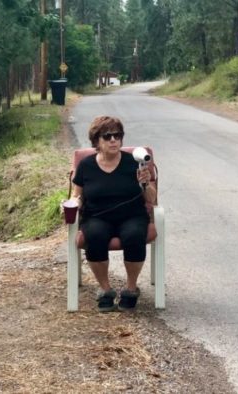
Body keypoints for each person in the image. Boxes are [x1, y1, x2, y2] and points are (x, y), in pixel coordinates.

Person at [68, 116, 155, 312]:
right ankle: (105, 289)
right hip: (97, 216)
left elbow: (151, 199)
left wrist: (145, 183)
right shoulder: (86, 165)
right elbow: (77, 196)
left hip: (132, 215)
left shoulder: (135, 163)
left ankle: (131, 289)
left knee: (133, 235)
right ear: (96, 140)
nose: (114, 140)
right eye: (107, 136)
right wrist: (72, 204)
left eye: (118, 135)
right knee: (95, 235)